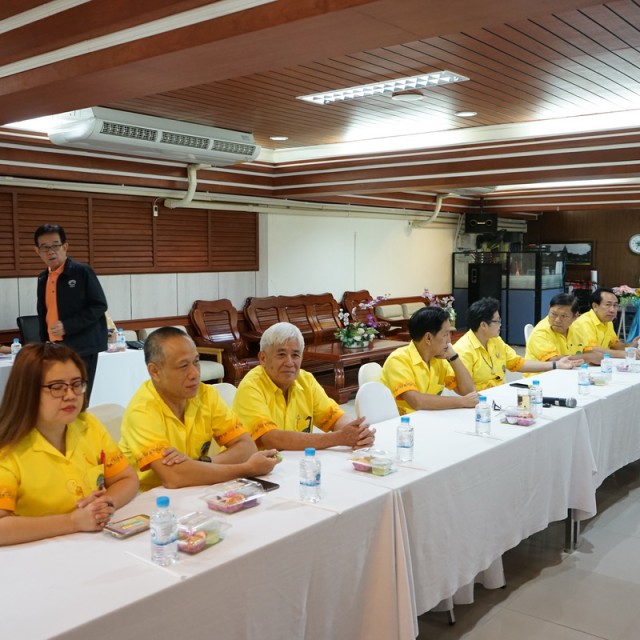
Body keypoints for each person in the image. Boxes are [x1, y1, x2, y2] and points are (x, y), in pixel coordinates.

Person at [0, 343, 138, 546]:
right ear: (27, 391)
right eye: (57, 387)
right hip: (34, 553)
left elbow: (126, 478)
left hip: (91, 544)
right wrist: (73, 522)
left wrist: (106, 503)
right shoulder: (7, 448)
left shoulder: (87, 425)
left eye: (76, 384)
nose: (71, 395)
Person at [119, 327, 280, 491]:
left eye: (196, 362)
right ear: (155, 372)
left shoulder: (205, 394)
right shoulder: (142, 410)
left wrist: (200, 465)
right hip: (151, 499)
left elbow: (246, 447)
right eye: (183, 366)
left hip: (197, 489)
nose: (195, 373)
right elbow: (174, 477)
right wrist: (247, 469)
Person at [233, 322, 375, 450]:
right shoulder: (251, 386)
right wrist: (338, 438)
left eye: (295, 355)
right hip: (255, 467)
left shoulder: (305, 380)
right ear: (263, 358)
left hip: (295, 462)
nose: (289, 363)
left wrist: (358, 432)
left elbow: (334, 418)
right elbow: (272, 439)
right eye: (281, 354)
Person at [34, 224, 108, 402]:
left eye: (55, 245)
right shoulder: (43, 278)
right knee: (60, 397)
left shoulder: (82, 272)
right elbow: (44, 314)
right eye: (45, 247)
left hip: (83, 346)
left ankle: (81, 420)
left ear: (65, 246)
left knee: (78, 397)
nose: (51, 251)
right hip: (55, 347)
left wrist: (67, 326)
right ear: (37, 251)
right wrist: (43, 345)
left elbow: (99, 306)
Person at [455, 297, 581, 391]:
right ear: (483, 325)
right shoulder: (464, 349)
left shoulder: (495, 340)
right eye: (497, 321)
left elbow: (518, 363)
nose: (500, 324)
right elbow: (464, 390)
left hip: (499, 393)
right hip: (479, 401)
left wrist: (556, 365)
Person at [380, 306, 478, 413]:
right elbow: (417, 402)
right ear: (428, 338)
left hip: (426, 417)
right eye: (445, 334)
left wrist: (453, 357)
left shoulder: (437, 359)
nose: (449, 340)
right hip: (401, 421)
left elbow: (468, 391)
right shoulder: (398, 360)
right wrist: (461, 402)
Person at [525, 293, 601, 365]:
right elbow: (552, 360)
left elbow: (588, 350)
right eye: (553, 314)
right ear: (549, 309)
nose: (557, 320)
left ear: (575, 317)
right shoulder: (541, 332)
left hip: (571, 371)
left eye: (564, 316)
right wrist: (588, 358)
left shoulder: (578, 327)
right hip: (543, 373)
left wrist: (593, 357)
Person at [571, 288, 640, 358]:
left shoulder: (607, 321)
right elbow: (590, 350)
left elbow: (614, 344)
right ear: (595, 306)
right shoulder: (584, 322)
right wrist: (624, 354)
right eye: (608, 305)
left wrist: (632, 345)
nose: (612, 310)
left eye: (615, 305)